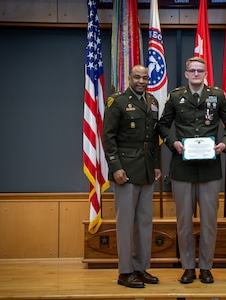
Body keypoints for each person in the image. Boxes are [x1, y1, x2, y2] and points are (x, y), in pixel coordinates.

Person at [157, 57, 226, 284]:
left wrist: (225, 143)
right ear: (186, 74)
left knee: (209, 221)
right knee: (183, 221)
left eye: (200, 70)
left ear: (205, 74)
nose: (196, 74)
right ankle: (188, 267)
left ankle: (206, 267)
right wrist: (173, 142)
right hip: (182, 167)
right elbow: (163, 125)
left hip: (210, 168)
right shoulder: (175, 96)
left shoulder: (217, 96)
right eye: (192, 70)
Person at [103, 65, 162, 288]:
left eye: (145, 77)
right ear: (129, 78)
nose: (141, 81)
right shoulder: (117, 101)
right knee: (126, 223)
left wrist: (156, 165)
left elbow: (153, 137)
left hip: (147, 170)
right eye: (137, 77)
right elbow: (108, 138)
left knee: (144, 223)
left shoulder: (152, 102)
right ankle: (125, 272)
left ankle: (140, 267)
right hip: (125, 171)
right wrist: (115, 167)